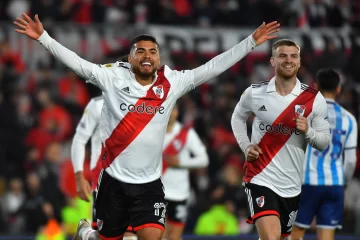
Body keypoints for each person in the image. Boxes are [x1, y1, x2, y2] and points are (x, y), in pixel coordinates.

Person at [14, 13, 280, 240]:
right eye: (140, 50)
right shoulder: (112, 77)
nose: (147, 55)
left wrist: (251, 42)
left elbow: (212, 67)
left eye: (153, 51)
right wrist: (43, 38)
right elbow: (76, 62)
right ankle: (86, 234)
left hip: (149, 184)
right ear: (130, 59)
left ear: (159, 58)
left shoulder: (172, 82)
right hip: (113, 183)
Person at [231, 39, 331, 240]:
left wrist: (308, 131)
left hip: (292, 185)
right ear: (272, 61)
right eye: (283, 55)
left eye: (294, 56)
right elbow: (237, 117)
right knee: (271, 237)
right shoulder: (255, 93)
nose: (288, 60)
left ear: (300, 62)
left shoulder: (314, 99)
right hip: (260, 176)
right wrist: (246, 145)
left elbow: (324, 142)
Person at [290, 69, 358, 240]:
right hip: (334, 184)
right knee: (326, 236)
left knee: (295, 234)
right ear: (338, 89)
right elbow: (350, 161)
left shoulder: (304, 114)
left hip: (307, 182)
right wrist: (344, 183)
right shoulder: (349, 119)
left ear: (315, 87)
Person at [161, 104, 209, 240]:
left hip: (179, 192)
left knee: (175, 236)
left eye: (173, 109)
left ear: (177, 112)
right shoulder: (153, 131)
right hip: (156, 191)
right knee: (157, 234)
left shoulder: (186, 134)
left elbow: (204, 159)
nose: (170, 113)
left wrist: (181, 163)